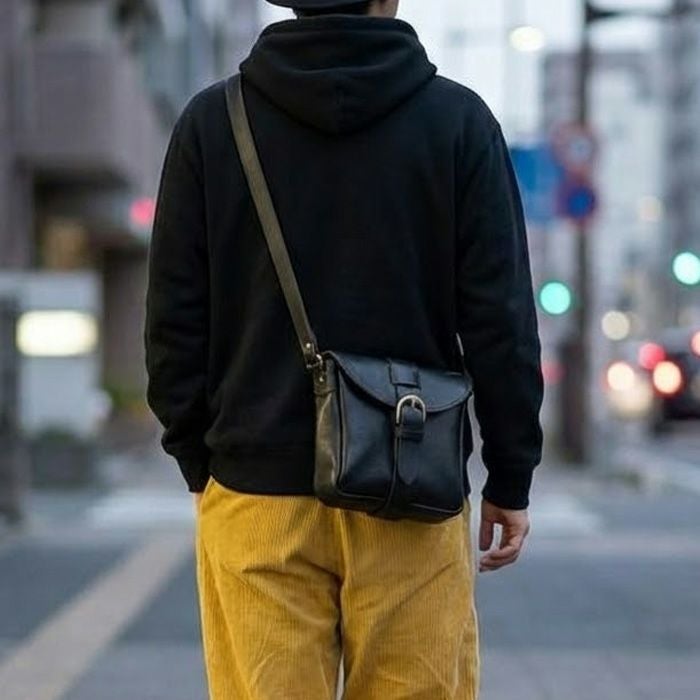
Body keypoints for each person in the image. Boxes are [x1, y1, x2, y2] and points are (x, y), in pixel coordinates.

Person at [144, 0, 544, 697]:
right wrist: (511, 476)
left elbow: (174, 320)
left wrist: (198, 459)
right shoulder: (458, 122)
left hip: (256, 487)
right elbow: (500, 320)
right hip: (412, 483)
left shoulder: (214, 122)